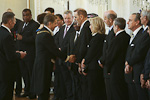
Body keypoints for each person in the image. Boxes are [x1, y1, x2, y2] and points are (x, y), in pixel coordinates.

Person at [31, 13, 75, 100]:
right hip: (43, 66)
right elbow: (54, 50)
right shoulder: (45, 35)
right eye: (55, 23)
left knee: (44, 89)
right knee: (43, 90)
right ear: (50, 23)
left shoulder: (42, 32)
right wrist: (67, 58)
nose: (56, 25)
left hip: (42, 64)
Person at [0, 12, 26, 100]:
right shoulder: (7, 35)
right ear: (10, 21)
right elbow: (10, 56)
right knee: (6, 94)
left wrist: (14, 52)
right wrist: (20, 54)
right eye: (14, 20)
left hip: (2, 69)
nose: (15, 23)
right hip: (6, 71)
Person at [125, 12, 149, 100]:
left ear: (137, 22)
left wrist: (129, 63)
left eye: (130, 20)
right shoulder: (135, 35)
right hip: (131, 73)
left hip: (138, 71)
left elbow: (139, 52)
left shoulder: (144, 34)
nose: (127, 23)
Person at [81, 17, 106, 100]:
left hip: (94, 69)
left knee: (94, 92)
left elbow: (91, 53)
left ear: (96, 26)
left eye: (91, 25)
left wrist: (84, 62)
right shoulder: (102, 37)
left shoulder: (97, 38)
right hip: (96, 68)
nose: (89, 27)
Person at [16, 8, 40, 98]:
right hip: (21, 53)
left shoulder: (35, 25)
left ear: (30, 15)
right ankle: (26, 90)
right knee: (24, 74)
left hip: (30, 54)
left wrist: (23, 38)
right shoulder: (21, 24)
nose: (25, 17)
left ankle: (32, 92)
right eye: (23, 15)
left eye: (26, 15)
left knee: (31, 74)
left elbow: (35, 39)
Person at [105, 18, 130, 100]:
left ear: (116, 26)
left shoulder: (116, 39)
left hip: (115, 71)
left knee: (116, 94)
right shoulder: (127, 37)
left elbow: (111, 55)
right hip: (123, 69)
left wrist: (107, 69)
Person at [54, 10, 75, 100]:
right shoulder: (62, 28)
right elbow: (57, 39)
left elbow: (71, 43)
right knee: (61, 80)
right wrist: (57, 48)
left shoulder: (74, 28)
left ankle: (69, 97)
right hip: (60, 59)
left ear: (72, 18)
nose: (67, 20)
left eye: (68, 18)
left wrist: (62, 49)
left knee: (68, 80)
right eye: (65, 18)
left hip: (68, 57)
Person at [73, 8, 92, 100]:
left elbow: (84, 46)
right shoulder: (84, 27)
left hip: (84, 61)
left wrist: (80, 61)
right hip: (82, 60)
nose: (74, 20)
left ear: (81, 17)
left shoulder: (86, 27)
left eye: (75, 17)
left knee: (85, 87)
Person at [98, 10, 117, 100]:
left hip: (112, 67)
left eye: (105, 19)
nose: (104, 21)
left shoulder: (115, 32)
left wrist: (102, 60)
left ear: (110, 20)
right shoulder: (109, 31)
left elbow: (110, 51)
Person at [6, 8, 23, 97]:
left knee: (18, 74)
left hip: (16, 48)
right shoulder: (5, 32)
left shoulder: (19, 22)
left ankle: (19, 90)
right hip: (9, 57)